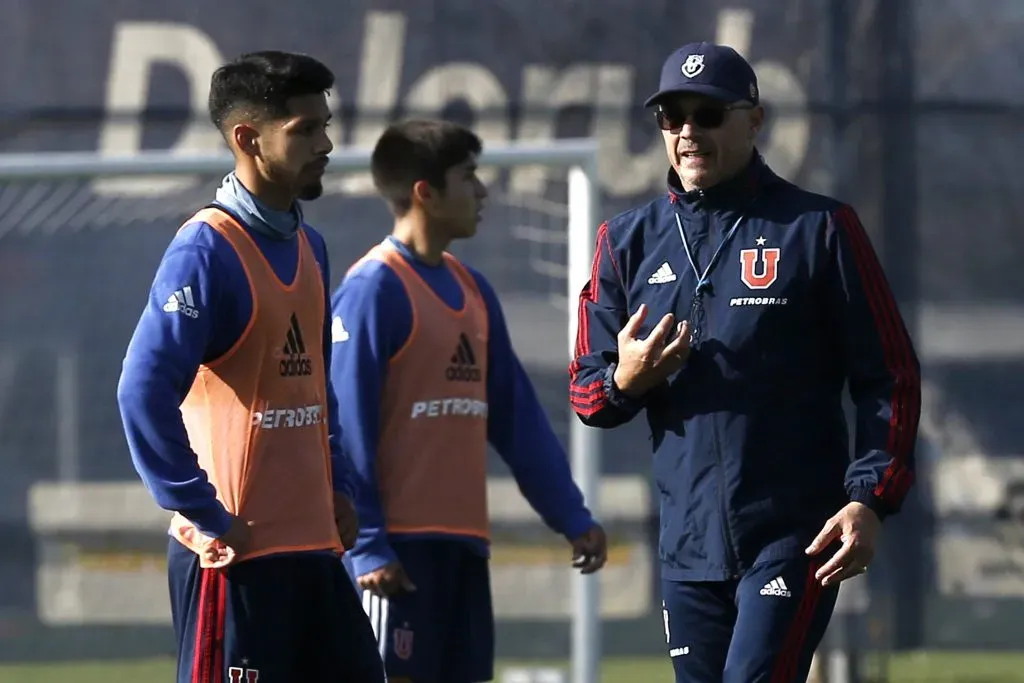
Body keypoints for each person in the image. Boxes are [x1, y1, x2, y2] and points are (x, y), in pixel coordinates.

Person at [568, 42, 921, 683]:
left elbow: (888, 375)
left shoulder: (820, 229)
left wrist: (871, 497)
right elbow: (587, 394)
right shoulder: (624, 242)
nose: (686, 132)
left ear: (753, 121)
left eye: (707, 114)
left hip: (793, 534)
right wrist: (628, 379)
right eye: (671, 117)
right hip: (687, 545)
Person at [116, 51, 385, 683]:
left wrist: (338, 485)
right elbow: (141, 393)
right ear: (248, 138)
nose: (326, 144)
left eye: (326, 125)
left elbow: (316, 390)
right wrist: (207, 513)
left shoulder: (309, 244)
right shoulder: (206, 250)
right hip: (233, 559)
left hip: (314, 552)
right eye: (306, 130)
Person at [329, 119, 609, 683]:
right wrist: (368, 547)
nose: (482, 192)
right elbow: (344, 430)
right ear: (424, 192)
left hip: (463, 549)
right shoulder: (372, 290)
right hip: (397, 558)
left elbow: (517, 419)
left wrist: (571, 516)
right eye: (468, 177)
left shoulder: (473, 290)